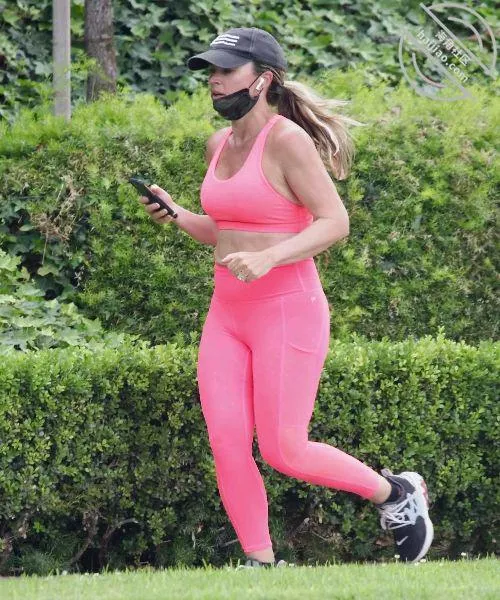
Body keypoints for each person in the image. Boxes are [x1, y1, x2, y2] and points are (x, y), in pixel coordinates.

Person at [139, 27, 433, 569]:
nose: (215, 80)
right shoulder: (218, 145)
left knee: (283, 449)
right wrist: (176, 215)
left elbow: (335, 222)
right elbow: (227, 231)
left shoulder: (287, 141)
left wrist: (270, 258)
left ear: (263, 79)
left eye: (227, 70)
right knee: (227, 442)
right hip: (227, 313)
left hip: (287, 309)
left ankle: (396, 493)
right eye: (211, 70)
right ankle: (260, 563)